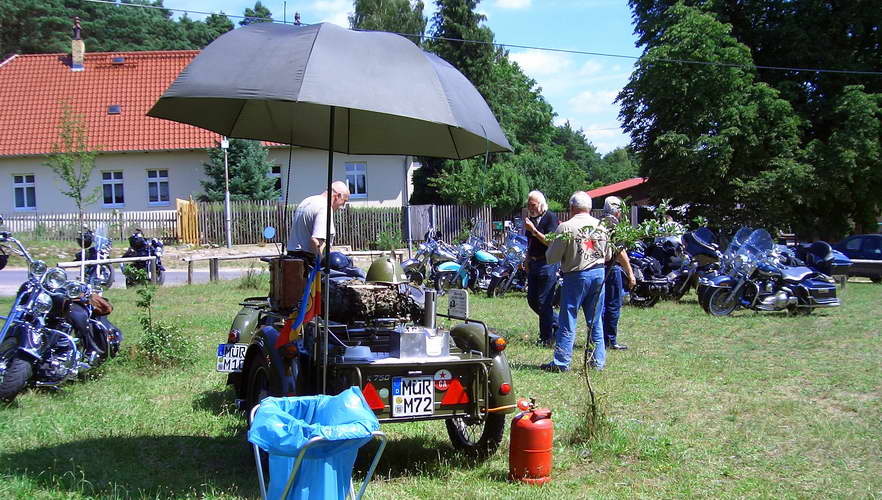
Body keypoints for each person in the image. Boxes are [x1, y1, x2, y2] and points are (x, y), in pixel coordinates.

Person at [541, 191, 631, 372]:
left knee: (568, 319)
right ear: (589, 208)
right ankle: (597, 362)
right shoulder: (601, 226)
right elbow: (607, 255)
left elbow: (551, 257)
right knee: (595, 320)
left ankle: (561, 362)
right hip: (598, 274)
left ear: (572, 207)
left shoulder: (566, 227)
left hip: (576, 276)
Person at [523, 190, 559, 347]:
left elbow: (550, 242)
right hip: (534, 262)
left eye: (533, 205)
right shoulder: (531, 219)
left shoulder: (550, 217)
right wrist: (526, 259)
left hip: (547, 263)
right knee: (532, 300)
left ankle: (546, 338)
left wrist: (534, 230)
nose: (530, 207)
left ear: (541, 204)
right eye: (528, 204)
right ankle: (558, 322)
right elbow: (530, 242)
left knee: (544, 302)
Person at [601, 196, 636, 351]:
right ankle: (609, 340)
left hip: (598, 268)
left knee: (600, 305)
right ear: (617, 211)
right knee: (613, 304)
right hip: (611, 268)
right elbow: (620, 252)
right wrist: (630, 273)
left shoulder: (599, 223)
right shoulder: (614, 226)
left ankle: (599, 338)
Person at [286, 181, 350, 261]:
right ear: (338, 196)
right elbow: (317, 241)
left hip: (292, 258)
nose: (342, 207)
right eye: (344, 201)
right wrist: (324, 265)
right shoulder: (325, 207)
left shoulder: (308, 201)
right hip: (307, 262)